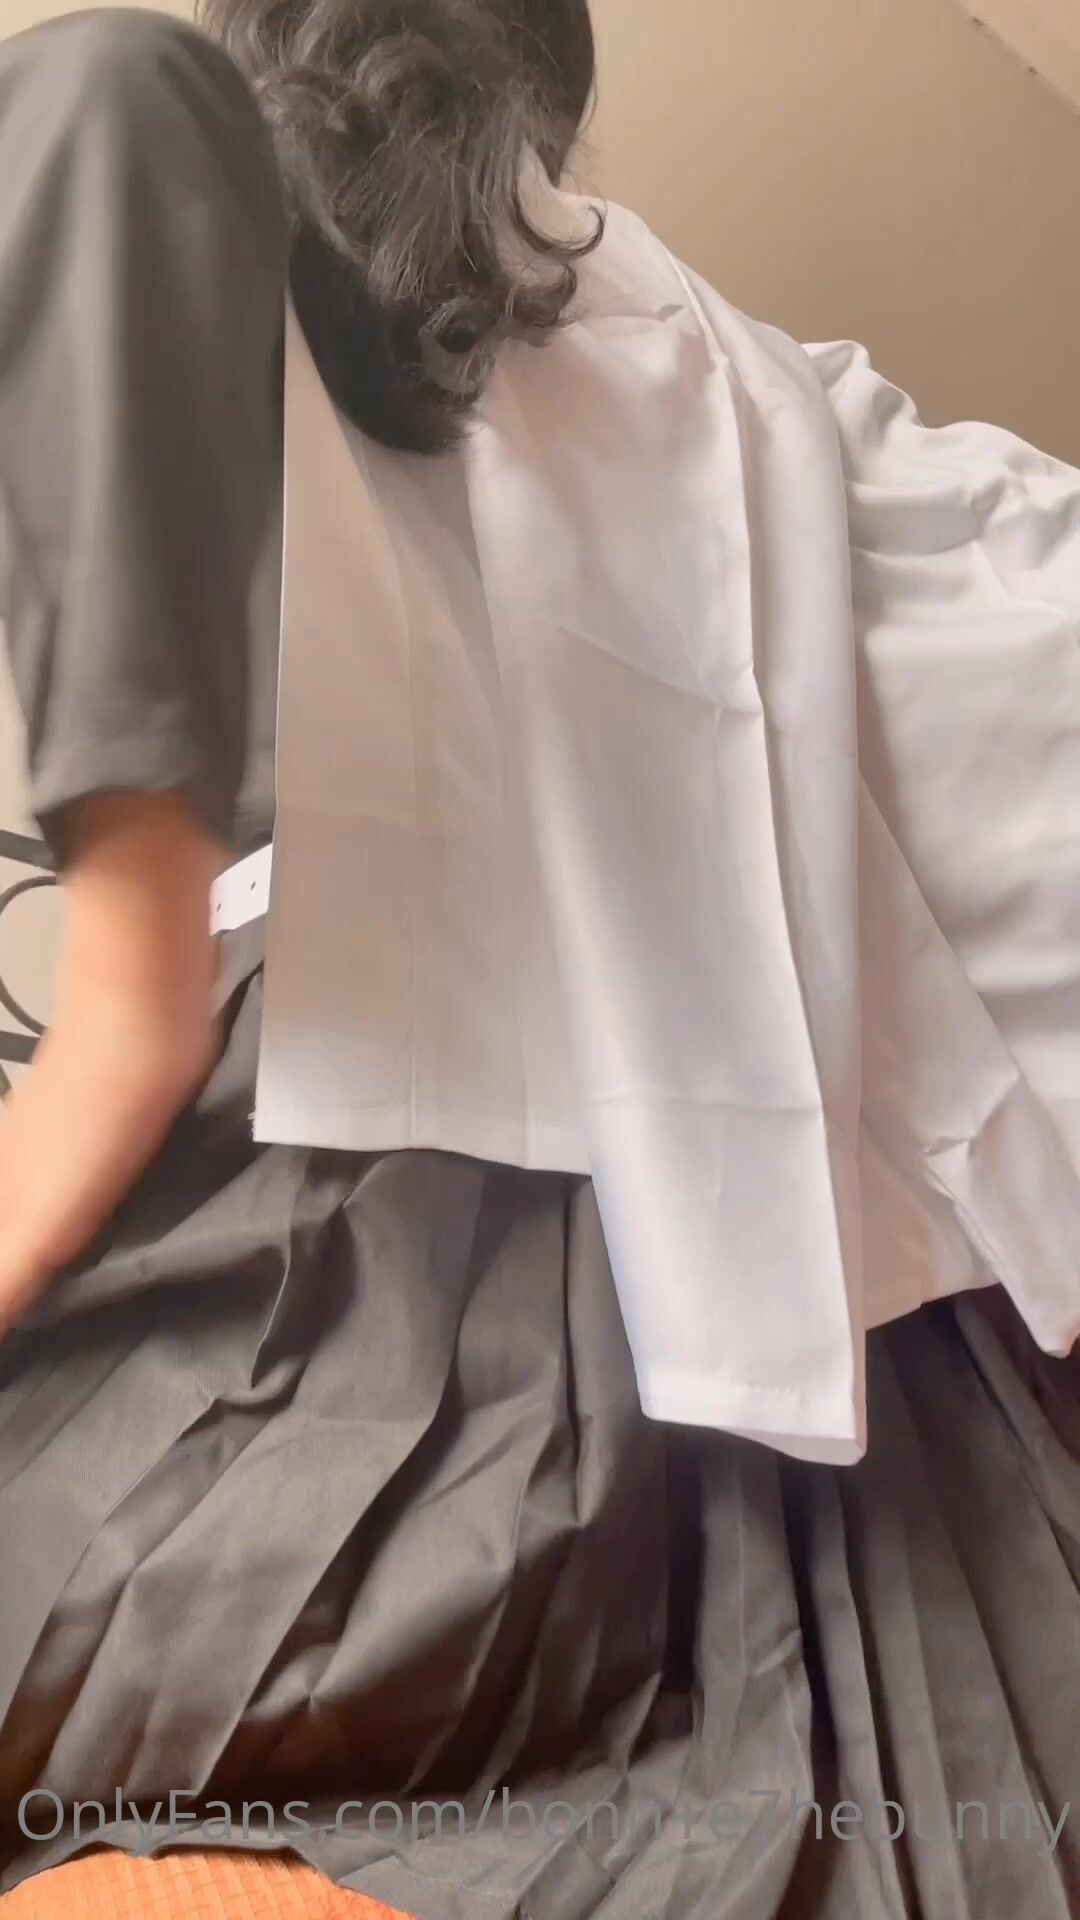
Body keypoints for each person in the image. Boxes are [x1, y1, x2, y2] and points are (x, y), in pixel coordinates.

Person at [0, 5, 1078, 1917]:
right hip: (757, 1339)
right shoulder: (727, 370)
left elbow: (125, 1030)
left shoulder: (164, 170)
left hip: (379, 1286)